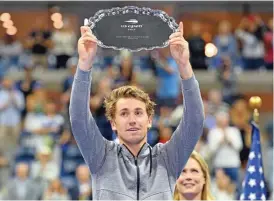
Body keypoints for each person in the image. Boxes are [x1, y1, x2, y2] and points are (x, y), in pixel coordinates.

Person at [69, 21, 204, 200]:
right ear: (113, 123)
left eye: (138, 113)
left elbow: (194, 122)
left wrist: (184, 66)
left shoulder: (168, 158)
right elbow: (79, 118)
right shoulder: (100, 155)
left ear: (149, 120)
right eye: (124, 113)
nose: (132, 119)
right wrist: (84, 65)